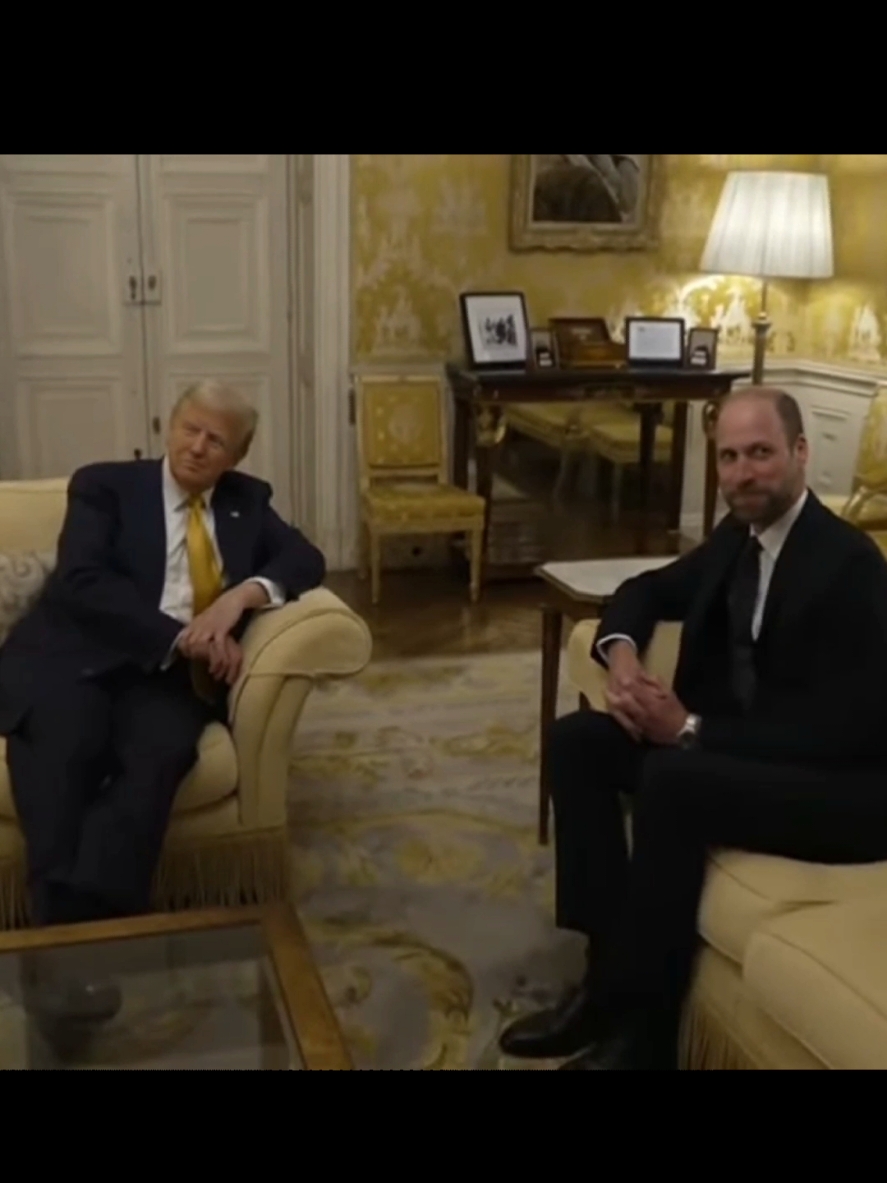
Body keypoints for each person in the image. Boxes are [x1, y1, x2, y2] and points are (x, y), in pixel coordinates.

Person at [499, 386, 887, 1070]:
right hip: (738, 754)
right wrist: (618, 655)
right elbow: (645, 589)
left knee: (673, 779)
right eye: (729, 456)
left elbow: (842, 732)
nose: (741, 473)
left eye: (760, 454)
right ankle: (602, 980)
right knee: (578, 741)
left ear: (800, 453)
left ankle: (648, 1032)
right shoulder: (737, 538)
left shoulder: (850, 566)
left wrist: (688, 727)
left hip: (843, 789)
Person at [0, 380, 325, 1037]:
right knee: (65, 754)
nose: (198, 447)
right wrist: (182, 635)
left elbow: (305, 558)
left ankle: (71, 942)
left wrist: (239, 600)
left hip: (167, 680)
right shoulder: (106, 486)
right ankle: (69, 956)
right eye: (189, 429)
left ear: (236, 454)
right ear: (168, 425)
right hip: (75, 657)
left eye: (216, 440)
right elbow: (83, 581)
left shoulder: (246, 501)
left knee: (158, 759)